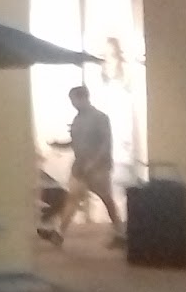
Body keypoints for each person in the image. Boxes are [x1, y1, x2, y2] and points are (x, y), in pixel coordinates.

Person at [41, 85, 124, 249]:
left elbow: (105, 144)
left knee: (107, 199)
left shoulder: (100, 118)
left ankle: (120, 232)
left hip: (99, 168)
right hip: (79, 166)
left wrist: (94, 163)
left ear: (84, 98)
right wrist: (59, 145)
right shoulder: (77, 119)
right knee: (72, 198)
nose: (73, 104)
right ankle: (59, 233)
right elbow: (75, 142)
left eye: (74, 100)